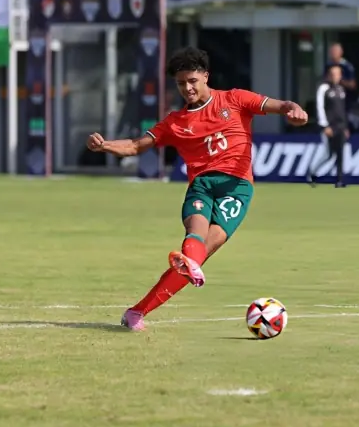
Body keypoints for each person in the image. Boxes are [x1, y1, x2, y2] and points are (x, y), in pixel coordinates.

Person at [85, 48, 308, 331]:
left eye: (192, 80)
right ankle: (184, 262)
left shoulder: (235, 99)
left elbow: (280, 105)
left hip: (236, 188)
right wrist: (104, 145)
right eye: (181, 83)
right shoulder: (175, 122)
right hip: (202, 186)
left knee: (197, 256)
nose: (187, 88)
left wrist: (293, 109)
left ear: (205, 76)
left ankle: (137, 311)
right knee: (194, 240)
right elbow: (135, 145)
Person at [308, 65, 348, 188]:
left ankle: (339, 180)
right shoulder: (323, 88)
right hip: (329, 126)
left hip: (340, 126)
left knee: (341, 153)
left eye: (337, 74)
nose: (335, 76)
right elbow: (320, 107)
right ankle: (313, 173)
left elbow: (342, 110)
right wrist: (325, 125)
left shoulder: (341, 90)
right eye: (332, 74)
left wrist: (345, 127)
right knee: (329, 154)